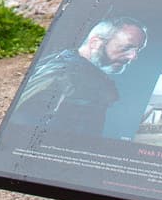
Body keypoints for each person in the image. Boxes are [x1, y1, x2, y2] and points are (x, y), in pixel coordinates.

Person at [8, 17, 148, 137]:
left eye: (137, 50)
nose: (133, 57)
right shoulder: (61, 75)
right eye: (127, 48)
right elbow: (18, 129)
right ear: (95, 43)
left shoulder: (84, 74)